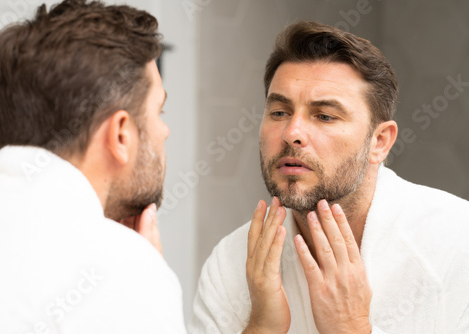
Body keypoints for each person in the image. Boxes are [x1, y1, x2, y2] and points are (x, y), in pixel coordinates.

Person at [189, 21, 469, 334]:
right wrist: (261, 328)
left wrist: (350, 328)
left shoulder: (458, 245)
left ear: (380, 142)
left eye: (324, 116)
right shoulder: (230, 262)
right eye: (280, 112)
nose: (292, 132)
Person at [0, 0, 186, 333]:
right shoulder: (128, 274)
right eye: (159, 111)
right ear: (120, 134)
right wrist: (141, 277)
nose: (165, 130)